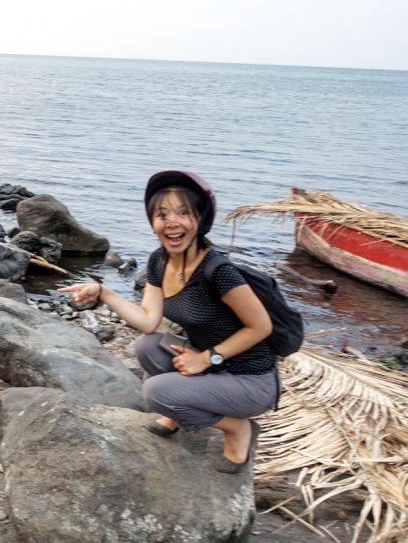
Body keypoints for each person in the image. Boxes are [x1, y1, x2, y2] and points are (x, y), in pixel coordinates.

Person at [59, 170, 279, 472]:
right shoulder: (159, 261)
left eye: (183, 213)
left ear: (201, 220)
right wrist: (104, 292)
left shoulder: (218, 271)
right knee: (147, 346)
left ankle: (237, 427)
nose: (171, 222)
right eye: (162, 214)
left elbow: (261, 327)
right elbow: (149, 322)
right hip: (211, 365)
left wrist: (207, 358)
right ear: (152, 222)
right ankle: (178, 412)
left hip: (250, 379)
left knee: (155, 393)